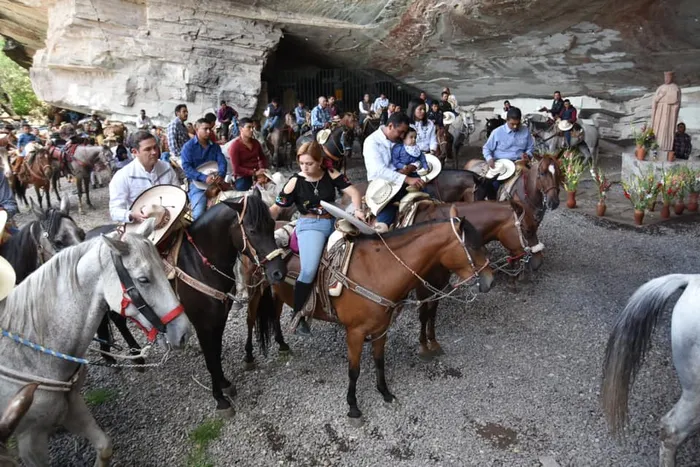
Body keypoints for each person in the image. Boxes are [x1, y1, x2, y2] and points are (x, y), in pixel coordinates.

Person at [270, 140, 364, 336]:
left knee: (359, 254)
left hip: (336, 220)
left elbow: (354, 192)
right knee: (310, 268)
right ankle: (298, 314)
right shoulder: (295, 181)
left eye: (309, 163)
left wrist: (358, 210)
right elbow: (278, 207)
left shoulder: (331, 174)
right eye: (302, 163)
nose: (305, 167)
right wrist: (262, 220)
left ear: (320, 161)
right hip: (310, 225)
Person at [364, 112, 425, 232]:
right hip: (381, 186)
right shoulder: (372, 142)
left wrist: (412, 166)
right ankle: (381, 233)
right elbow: (379, 170)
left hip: (403, 177)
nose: (402, 136)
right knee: (386, 217)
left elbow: (416, 155)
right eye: (400, 132)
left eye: (404, 133)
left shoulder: (398, 140)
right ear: (390, 126)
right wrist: (406, 179)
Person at [108, 130, 179, 223]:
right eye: (148, 149)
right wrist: (131, 214)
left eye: (155, 147)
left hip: (170, 218)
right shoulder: (123, 176)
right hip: (140, 226)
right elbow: (114, 211)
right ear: (135, 152)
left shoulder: (166, 167)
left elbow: (178, 193)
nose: (154, 152)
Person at [481, 107, 534, 199]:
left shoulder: (525, 131)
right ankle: (493, 204)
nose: (515, 127)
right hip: (501, 164)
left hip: (520, 163)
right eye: (512, 124)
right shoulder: (497, 132)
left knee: (532, 183)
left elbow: (530, 147)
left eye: (517, 124)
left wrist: (528, 154)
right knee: (493, 185)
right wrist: (489, 158)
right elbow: (487, 148)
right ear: (506, 120)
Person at [180, 118, 227, 220]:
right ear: (196, 129)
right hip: (197, 184)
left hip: (216, 181)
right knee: (198, 214)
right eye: (205, 129)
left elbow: (222, 161)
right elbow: (187, 167)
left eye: (210, 129)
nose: (209, 132)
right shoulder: (188, 147)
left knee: (232, 204)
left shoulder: (215, 146)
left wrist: (221, 174)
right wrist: (203, 178)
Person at [228, 118, 269, 191]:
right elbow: (236, 169)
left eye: (253, 127)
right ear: (241, 129)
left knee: (274, 185)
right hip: (243, 177)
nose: (252, 130)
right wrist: (254, 173)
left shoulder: (256, 143)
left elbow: (262, 158)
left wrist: (262, 170)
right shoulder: (235, 146)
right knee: (246, 194)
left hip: (257, 174)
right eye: (249, 127)